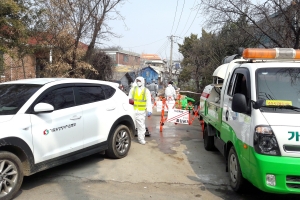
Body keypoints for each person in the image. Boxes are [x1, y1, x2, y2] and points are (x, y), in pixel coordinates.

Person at [128, 76, 152, 145]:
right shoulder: (133, 89)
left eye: (139, 81)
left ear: (142, 81)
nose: (138, 82)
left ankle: (141, 139)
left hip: (141, 112)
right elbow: (129, 99)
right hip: (133, 111)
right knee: (132, 125)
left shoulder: (146, 91)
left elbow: (148, 101)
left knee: (141, 126)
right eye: (137, 81)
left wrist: (149, 110)